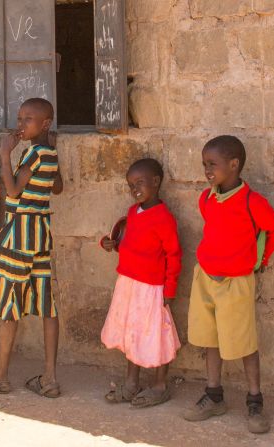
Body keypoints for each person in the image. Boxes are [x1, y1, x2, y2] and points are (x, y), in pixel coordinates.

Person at [182, 135, 274, 434]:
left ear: (234, 164)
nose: (207, 170)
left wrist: (260, 259)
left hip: (236, 283)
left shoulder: (252, 202)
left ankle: (255, 402)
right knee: (211, 339)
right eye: (204, 164)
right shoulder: (207, 198)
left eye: (212, 164)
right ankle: (214, 395)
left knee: (244, 343)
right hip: (205, 278)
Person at [0, 98, 63, 397]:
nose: (20, 125)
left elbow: (14, 189)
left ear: (45, 124)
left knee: (10, 305)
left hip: (19, 236)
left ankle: (1, 375)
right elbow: (57, 187)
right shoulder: (48, 153)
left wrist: (5, 156)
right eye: (19, 119)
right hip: (40, 235)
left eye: (27, 119)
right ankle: (50, 378)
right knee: (47, 305)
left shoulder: (32, 155)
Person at [99, 158, 182, 408]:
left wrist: (170, 289)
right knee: (131, 332)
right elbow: (127, 242)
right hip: (129, 284)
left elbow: (174, 255)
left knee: (156, 333)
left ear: (156, 183)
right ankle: (132, 382)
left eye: (140, 183)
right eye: (130, 184)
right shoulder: (133, 212)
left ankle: (160, 385)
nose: (134, 189)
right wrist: (109, 243)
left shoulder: (164, 218)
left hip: (152, 287)